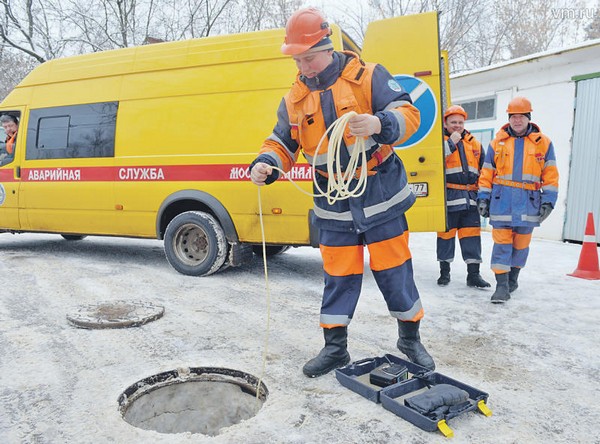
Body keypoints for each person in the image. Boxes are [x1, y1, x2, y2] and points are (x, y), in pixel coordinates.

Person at [249, 7, 435, 377]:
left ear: (327, 47)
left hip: (380, 195)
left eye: (310, 58)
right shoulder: (295, 99)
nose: (304, 67)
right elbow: (282, 142)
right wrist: (266, 163)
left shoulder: (367, 76)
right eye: (298, 60)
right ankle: (335, 350)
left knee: (395, 271)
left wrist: (380, 122)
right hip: (333, 203)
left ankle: (410, 338)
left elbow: (408, 113)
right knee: (338, 277)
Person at [477, 97, 559, 303]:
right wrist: (483, 198)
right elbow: (486, 173)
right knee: (501, 244)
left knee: (521, 245)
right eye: (513, 116)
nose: (517, 120)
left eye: (521, 116)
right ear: (509, 118)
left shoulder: (544, 143)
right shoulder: (496, 143)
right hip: (501, 200)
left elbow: (550, 174)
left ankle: (513, 279)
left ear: (529, 117)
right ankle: (501, 286)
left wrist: (548, 201)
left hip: (529, 202)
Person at [436, 105, 490, 288]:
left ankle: (473, 275)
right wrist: (451, 142)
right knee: (445, 237)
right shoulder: (440, 141)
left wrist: (484, 197)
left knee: (472, 238)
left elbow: (485, 172)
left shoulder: (474, 143)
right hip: (449, 198)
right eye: (453, 122)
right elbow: (435, 160)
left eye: (460, 122)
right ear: (446, 123)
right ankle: (444, 273)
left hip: (470, 199)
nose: (457, 126)